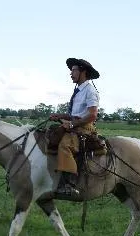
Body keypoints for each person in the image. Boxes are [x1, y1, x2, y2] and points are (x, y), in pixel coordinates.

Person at [49, 58, 100, 195]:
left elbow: (92, 115)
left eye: (73, 70)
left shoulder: (90, 91)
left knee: (65, 145)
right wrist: (59, 116)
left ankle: (69, 184)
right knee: (50, 135)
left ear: (83, 71)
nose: (71, 74)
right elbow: (74, 114)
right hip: (76, 125)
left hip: (85, 128)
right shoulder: (78, 90)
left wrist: (72, 124)